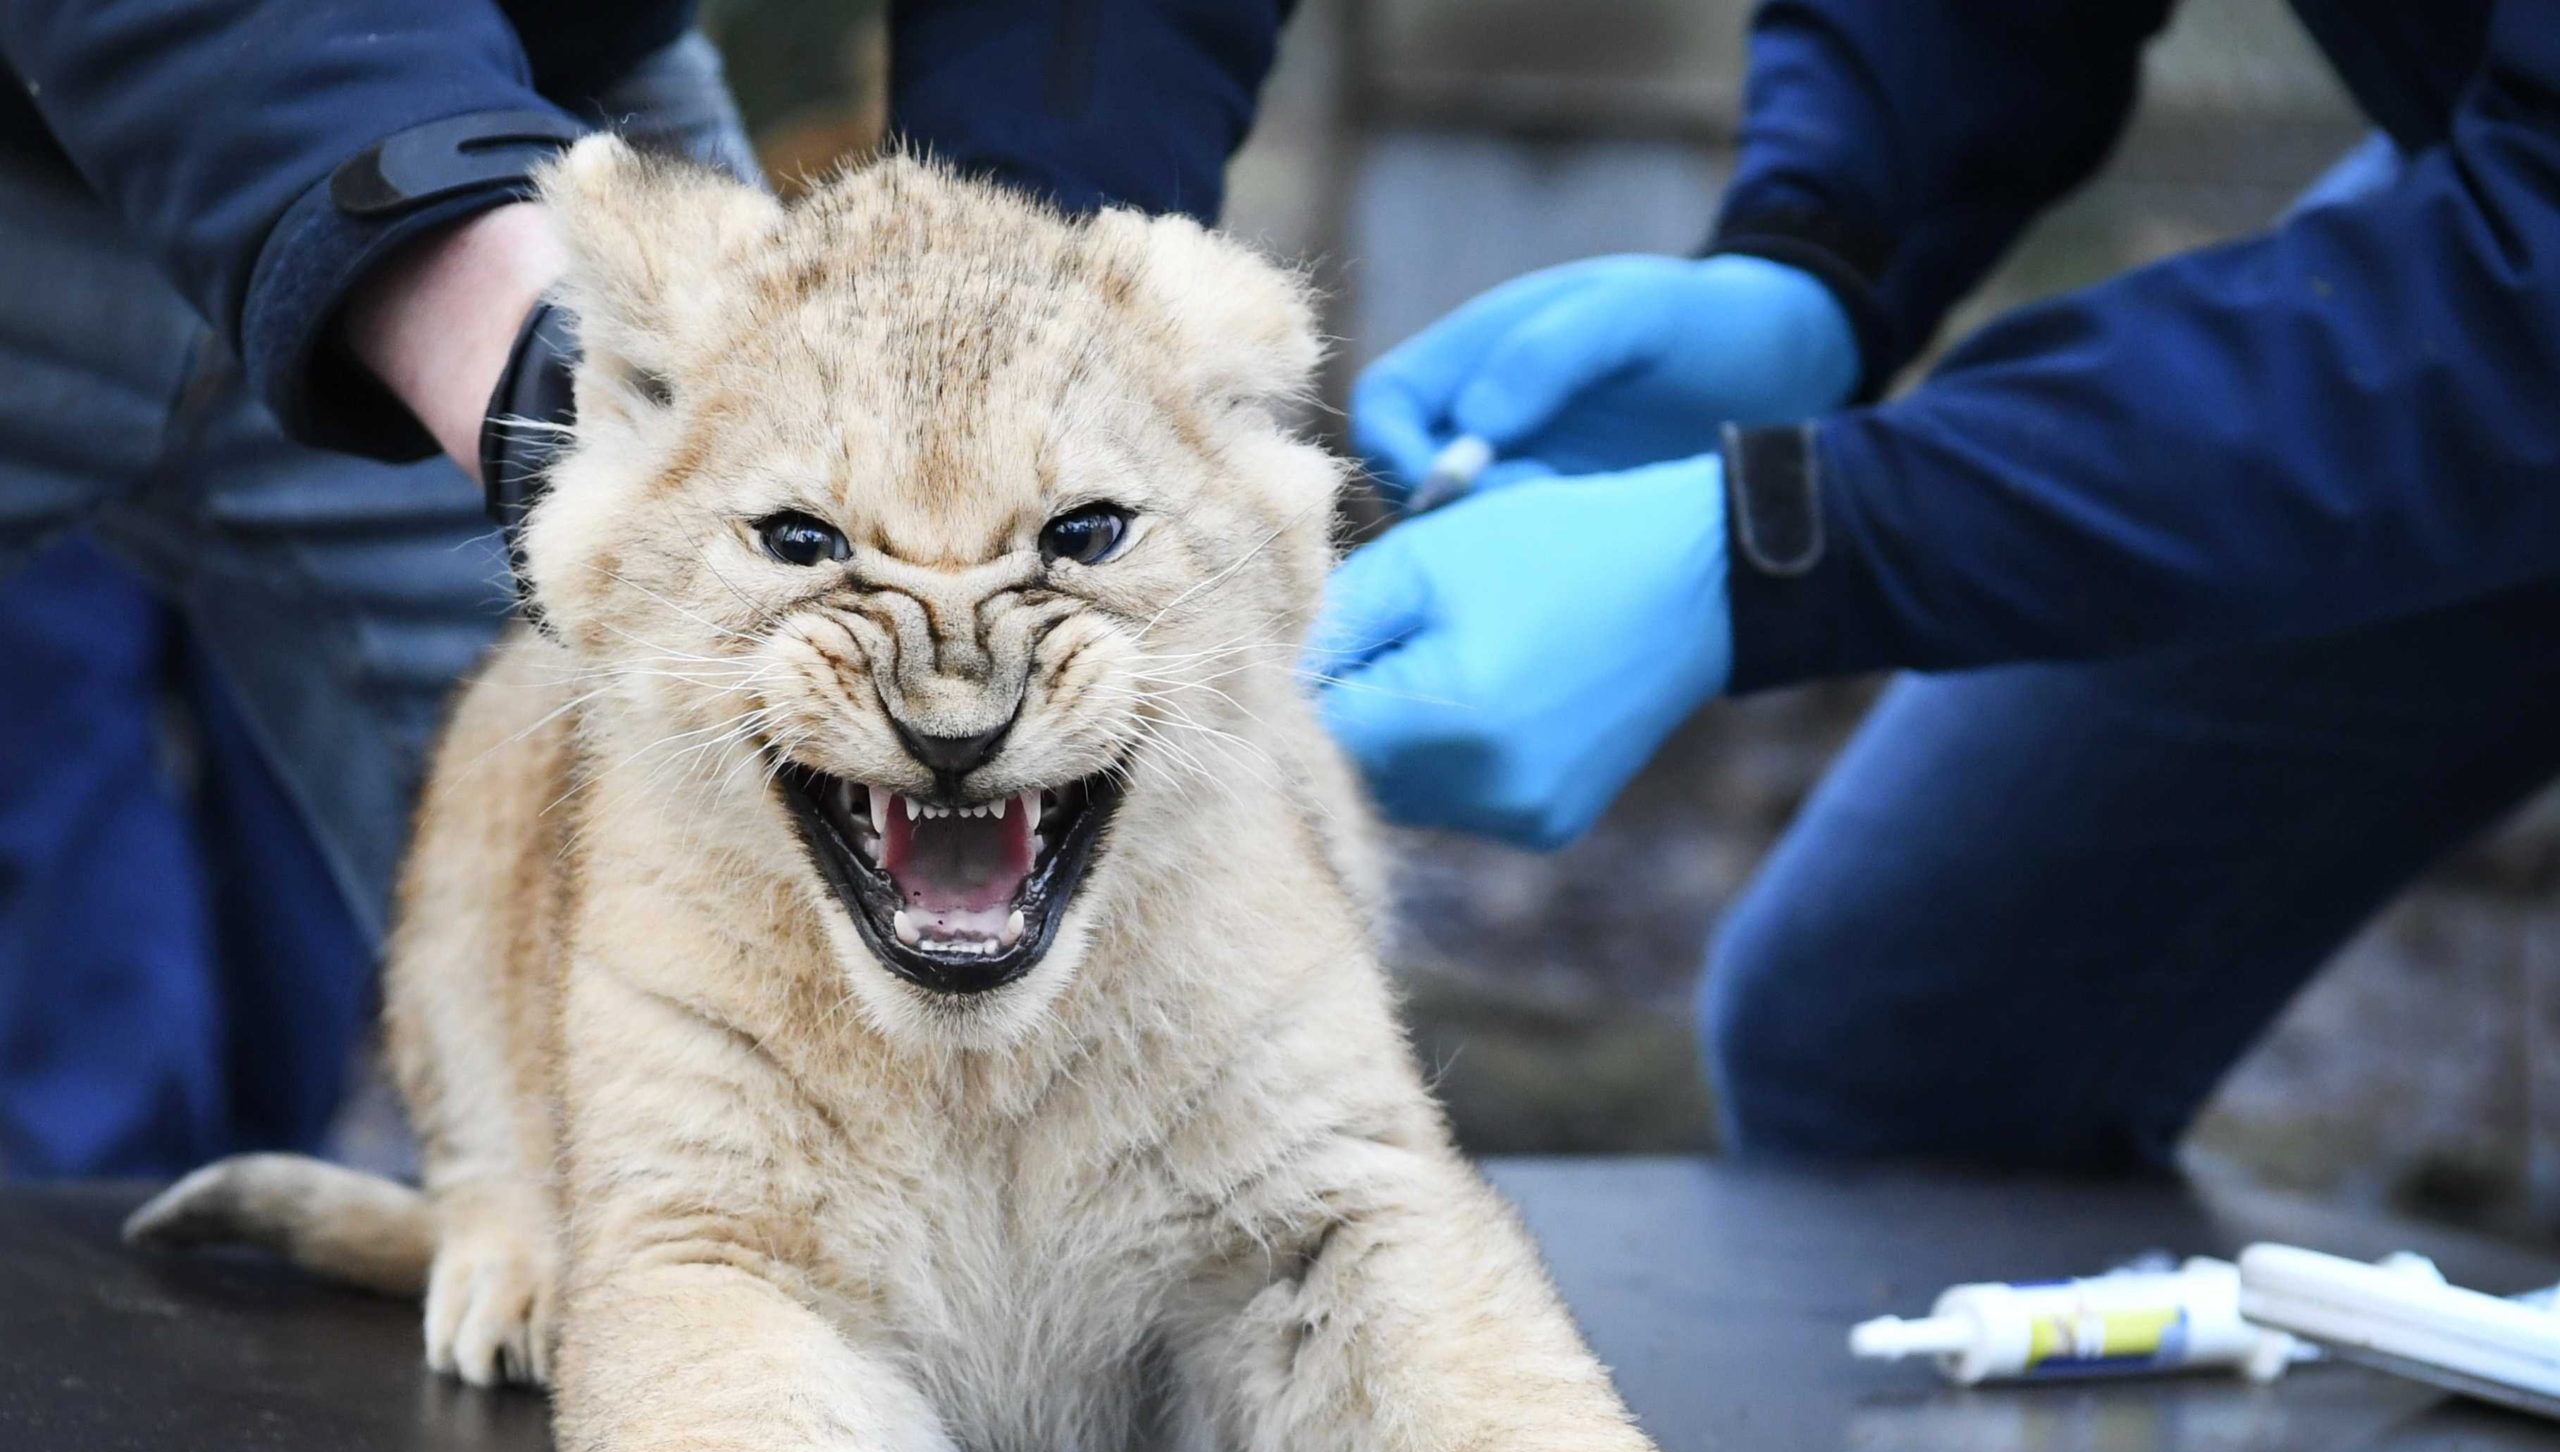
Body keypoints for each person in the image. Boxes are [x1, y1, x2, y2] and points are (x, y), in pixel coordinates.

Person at [0, 1, 1289, 1174]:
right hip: (170, 157)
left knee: (693, 923)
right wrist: (507, 348)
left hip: (545, 82)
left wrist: (1014, 334)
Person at [1316, 2, 2560, 1176]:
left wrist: (1790, 537)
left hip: (2509, 288)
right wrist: (1824, 238)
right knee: (1897, 1041)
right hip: (2488, 234)